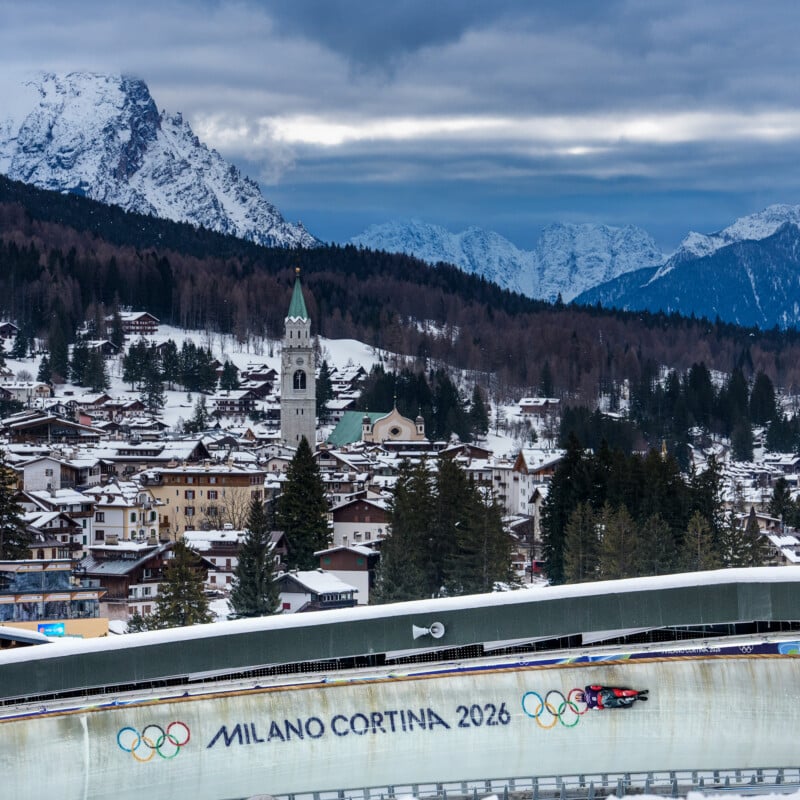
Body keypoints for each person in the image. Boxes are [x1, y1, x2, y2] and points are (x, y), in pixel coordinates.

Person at [579, 685, 648, 709]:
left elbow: (600, 708)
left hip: (605, 702)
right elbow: (598, 687)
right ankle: (639, 692)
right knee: (622, 693)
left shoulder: (589, 705)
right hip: (604, 694)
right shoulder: (587, 689)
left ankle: (636, 698)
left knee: (622, 701)